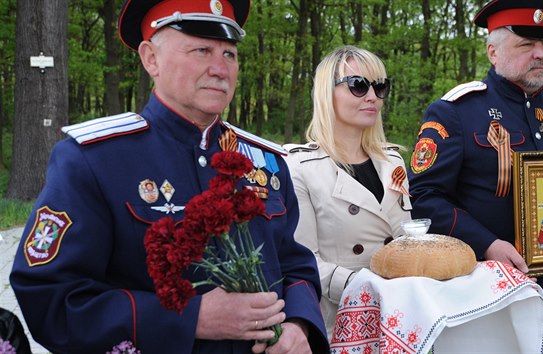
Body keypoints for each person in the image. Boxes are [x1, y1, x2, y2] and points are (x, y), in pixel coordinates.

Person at [10, 1, 328, 353]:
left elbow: (294, 263)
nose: (221, 69)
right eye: (202, 50)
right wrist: (192, 318)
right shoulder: (93, 160)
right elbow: (51, 296)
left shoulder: (263, 163)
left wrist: (299, 324)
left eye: (230, 54)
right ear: (151, 59)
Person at [407, 0, 543, 353]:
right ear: (493, 51)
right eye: (526, 44)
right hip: (484, 295)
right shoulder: (457, 111)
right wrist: (488, 245)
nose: (540, 54)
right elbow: (424, 198)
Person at [283, 45, 412, 340]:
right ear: (327, 93)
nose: (372, 97)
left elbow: (404, 240)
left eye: (380, 87)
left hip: (399, 322)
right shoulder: (299, 166)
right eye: (358, 85)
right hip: (339, 323)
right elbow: (302, 261)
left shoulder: (392, 161)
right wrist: (364, 285)